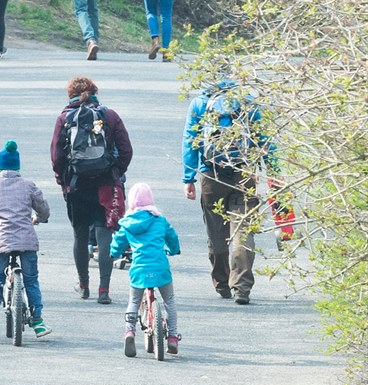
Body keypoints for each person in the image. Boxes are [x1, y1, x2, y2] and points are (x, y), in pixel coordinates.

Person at [182, 76, 280, 305]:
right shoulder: (248, 103)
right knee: (243, 231)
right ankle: (242, 288)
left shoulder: (200, 103)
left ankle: (222, 283)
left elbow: (190, 139)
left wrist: (188, 177)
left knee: (216, 233)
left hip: (211, 173)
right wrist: (274, 172)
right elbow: (265, 141)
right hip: (244, 174)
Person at [50, 76, 133, 304]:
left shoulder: (64, 118)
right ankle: (103, 290)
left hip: (76, 186)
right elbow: (126, 150)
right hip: (106, 184)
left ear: (71, 95)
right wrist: (116, 172)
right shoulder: (110, 116)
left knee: (79, 235)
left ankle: (84, 285)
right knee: (104, 235)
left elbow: (57, 156)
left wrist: (63, 180)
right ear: (95, 92)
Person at [0, 140, 52, 339]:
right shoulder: (28, 185)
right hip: (26, 241)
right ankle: (38, 320)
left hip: (2, 241)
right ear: (18, 167)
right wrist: (39, 218)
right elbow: (43, 208)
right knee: (31, 280)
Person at [110, 182, 180, 357]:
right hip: (160, 267)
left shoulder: (127, 224)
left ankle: (129, 332)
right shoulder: (160, 220)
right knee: (169, 301)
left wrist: (114, 253)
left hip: (139, 269)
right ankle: (172, 336)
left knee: (134, 301)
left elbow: (117, 242)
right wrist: (174, 249)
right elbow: (172, 237)